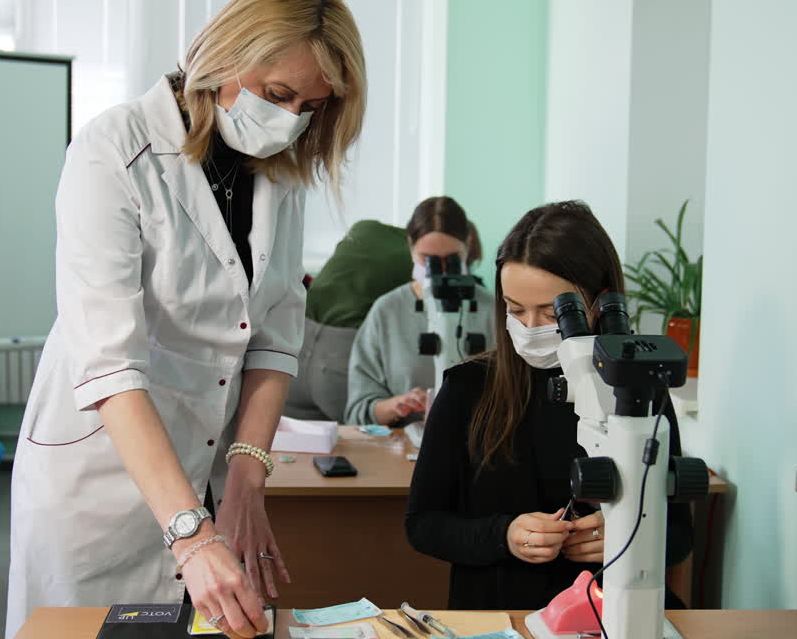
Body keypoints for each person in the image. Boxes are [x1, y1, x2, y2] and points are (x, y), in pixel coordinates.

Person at [5, 0, 365, 639]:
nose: (290, 120)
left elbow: (276, 334)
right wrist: (190, 535)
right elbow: (110, 365)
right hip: (100, 480)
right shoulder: (112, 150)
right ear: (221, 54)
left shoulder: (281, 176)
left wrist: (248, 471)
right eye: (278, 93)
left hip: (207, 468)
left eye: (310, 106)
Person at [405, 200, 692, 610]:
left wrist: (631, 534)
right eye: (515, 309)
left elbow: (679, 535)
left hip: (607, 611)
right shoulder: (467, 389)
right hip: (500, 613)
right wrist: (504, 535)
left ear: (599, 303)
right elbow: (423, 525)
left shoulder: (641, 387)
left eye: (551, 312)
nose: (530, 327)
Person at [344, 197, 495, 426]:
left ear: (468, 244)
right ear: (410, 247)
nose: (441, 270)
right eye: (429, 260)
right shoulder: (386, 311)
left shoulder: (493, 310)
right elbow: (357, 412)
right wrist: (398, 405)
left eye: (451, 259)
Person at [284, 220, 413, 422]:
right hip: (342, 360)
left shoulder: (365, 227)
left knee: (294, 447)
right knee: (370, 446)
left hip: (294, 349)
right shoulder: (419, 259)